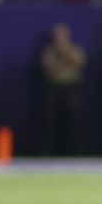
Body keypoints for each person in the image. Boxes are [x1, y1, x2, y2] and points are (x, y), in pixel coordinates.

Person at [40, 22, 86, 155]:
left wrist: (65, 53)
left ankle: (78, 152)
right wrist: (62, 60)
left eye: (63, 34)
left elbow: (79, 62)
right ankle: (45, 152)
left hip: (71, 88)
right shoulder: (49, 50)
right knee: (48, 121)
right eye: (58, 35)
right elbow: (47, 66)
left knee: (75, 122)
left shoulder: (74, 48)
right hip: (54, 88)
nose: (60, 37)